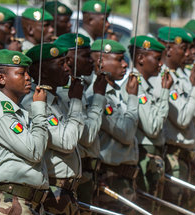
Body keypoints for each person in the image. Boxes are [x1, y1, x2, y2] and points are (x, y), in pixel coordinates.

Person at [0, 49, 50, 215]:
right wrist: (40, 108)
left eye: (27, 72)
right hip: (10, 203)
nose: (28, 77)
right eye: (21, 73)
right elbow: (34, 152)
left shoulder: (15, 111)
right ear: (2, 78)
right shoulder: (2, 114)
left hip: (26, 202)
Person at [25, 43, 84, 215]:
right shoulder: (35, 103)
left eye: (67, 62)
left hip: (67, 190)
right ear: (41, 71)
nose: (67, 68)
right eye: (60, 64)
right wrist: (77, 102)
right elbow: (67, 143)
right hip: (53, 190)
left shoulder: (58, 101)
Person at [54, 33, 105, 215]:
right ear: (69, 59)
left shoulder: (77, 87)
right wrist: (98, 97)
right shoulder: (63, 92)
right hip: (72, 175)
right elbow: (87, 136)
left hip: (85, 171)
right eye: (85, 55)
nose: (92, 60)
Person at [88, 39, 139, 214]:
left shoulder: (116, 91)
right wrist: (133, 98)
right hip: (110, 176)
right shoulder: (98, 95)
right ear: (101, 62)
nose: (125, 64)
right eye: (119, 59)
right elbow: (125, 133)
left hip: (123, 177)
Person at [153, 27, 195, 212]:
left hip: (184, 153)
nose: (189, 53)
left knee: (184, 206)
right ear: (168, 48)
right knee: (171, 209)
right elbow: (183, 118)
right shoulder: (164, 78)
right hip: (173, 153)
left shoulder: (180, 76)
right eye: (184, 48)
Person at [126, 33, 173, 212]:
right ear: (140, 58)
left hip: (152, 156)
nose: (161, 64)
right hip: (145, 156)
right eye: (157, 58)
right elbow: (152, 127)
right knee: (145, 208)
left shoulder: (146, 85)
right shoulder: (134, 85)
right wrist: (165, 92)